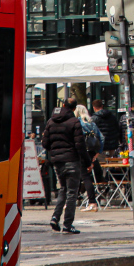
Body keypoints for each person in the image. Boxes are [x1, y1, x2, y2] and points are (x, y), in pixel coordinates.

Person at [43, 98, 90, 234]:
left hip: (57, 161)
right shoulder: (74, 122)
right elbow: (80, 145)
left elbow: (45, 143)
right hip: (71, 160)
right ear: (74, 109)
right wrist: (87, 162)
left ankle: (55, 217)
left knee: (63, 189)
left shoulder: (51, 122)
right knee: (71, 193)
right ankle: (67, 224)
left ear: (63, 105)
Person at [75, 104, 104, 212]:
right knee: (85, 176)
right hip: (91, 152)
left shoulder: (77, 122)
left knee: (84, 177)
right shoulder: (91, 123)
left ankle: (92, 202)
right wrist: (98, 152)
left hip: (82, 152)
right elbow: (101, 137)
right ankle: (90, 202)